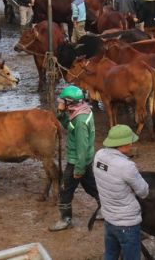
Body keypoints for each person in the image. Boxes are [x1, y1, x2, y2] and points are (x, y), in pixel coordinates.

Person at [93, 125, 149, 260]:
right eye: (130, 142)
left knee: (110, 254)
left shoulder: (99, 155)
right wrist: (130, 189)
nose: (131, 144)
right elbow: (144, 191)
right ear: (122, 145)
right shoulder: (126, 166)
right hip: (127, 224)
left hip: (109, 218)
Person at [50, 85, 100, 231]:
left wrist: (78, 169)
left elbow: (82, 147)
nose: (61, 102)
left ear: (70, 102)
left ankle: (66, 219)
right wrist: (60, 113)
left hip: (77, 161)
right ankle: (106, 207)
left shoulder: (80, 121)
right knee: (92, 186)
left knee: (65, 190)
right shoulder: (82, 110)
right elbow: (69, 126)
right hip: (84, 160)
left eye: (63, 101)